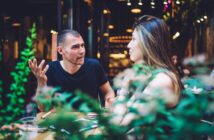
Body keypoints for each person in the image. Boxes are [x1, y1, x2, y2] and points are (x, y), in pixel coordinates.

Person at [111, 15, 183, 126]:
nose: (128, 45)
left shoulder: (162, 80)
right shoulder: (153, 76)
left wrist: (124, 90)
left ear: (148, 43)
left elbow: (119, 126)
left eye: (134, 39)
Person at [28, 29, 115, 110]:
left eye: (82, 45)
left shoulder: (94, 66)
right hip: (63, 122)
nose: (82, 51)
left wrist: (109, 100)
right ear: (61, 50)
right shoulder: (51, 69)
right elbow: (42, 108)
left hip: (91, 122)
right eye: (75, 47)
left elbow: (108, 92)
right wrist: (41, 82)